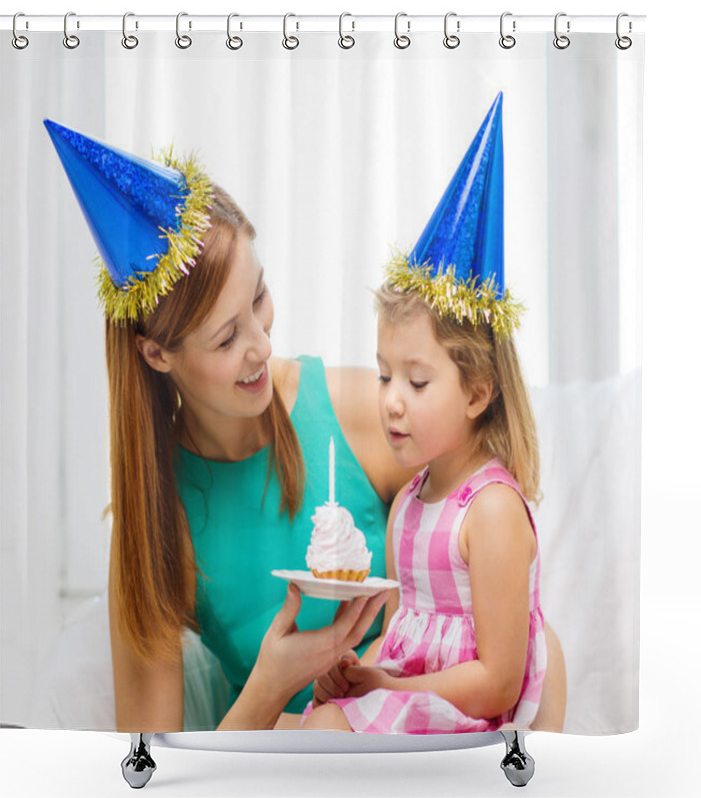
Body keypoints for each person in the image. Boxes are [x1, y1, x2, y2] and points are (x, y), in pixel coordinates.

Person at [44, 115, 565, 734]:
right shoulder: (157, 516)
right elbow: (153, 765)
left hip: (407, 727)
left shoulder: (363, 414)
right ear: (159, 355)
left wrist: (362, 685)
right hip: (278, 755)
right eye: (227, 336)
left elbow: (471, 594)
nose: (263, 345)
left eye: (258, 299)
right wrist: (272, 686)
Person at [304, 93, 563, 733]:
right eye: (385, 373)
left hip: (474, 719)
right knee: (287, 730)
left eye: (417, 381)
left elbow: (499, 678)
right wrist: (357, 670)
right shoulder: (408, 504)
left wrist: (387, 686)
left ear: (477, 392)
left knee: (320, 737)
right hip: (421, 699)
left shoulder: (493, 512)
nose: (389, 397)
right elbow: (401, 638)